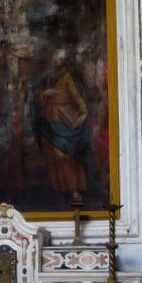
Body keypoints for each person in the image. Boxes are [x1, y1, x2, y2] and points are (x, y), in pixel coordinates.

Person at [36, 48, 96, 203]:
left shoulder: (69, 78)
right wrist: (44, 94)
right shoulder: (48, 78)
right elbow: (35, 97)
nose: (54, 62)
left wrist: (83, 114)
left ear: (63, 62)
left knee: (64, 156)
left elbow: (78, 98)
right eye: (53, 59)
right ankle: (58, 189)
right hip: (49, 124)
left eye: (57, 59)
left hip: (64, 124)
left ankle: (74, 190)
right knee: (52, 156)